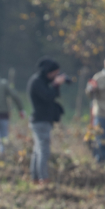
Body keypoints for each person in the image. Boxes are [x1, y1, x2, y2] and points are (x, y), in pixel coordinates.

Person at [27, 58, 66, 186]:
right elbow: (48, 96)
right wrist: (55, 85)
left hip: (43, 120)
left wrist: (56, 85)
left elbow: (53, 95)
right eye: (54, 73)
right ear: (48, 72)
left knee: (38, 150)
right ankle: (43, 178)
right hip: (40, 121)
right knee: (44, 150)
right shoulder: (37, 82)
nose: (55, 76)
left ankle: (35, 178)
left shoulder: (41, 81)